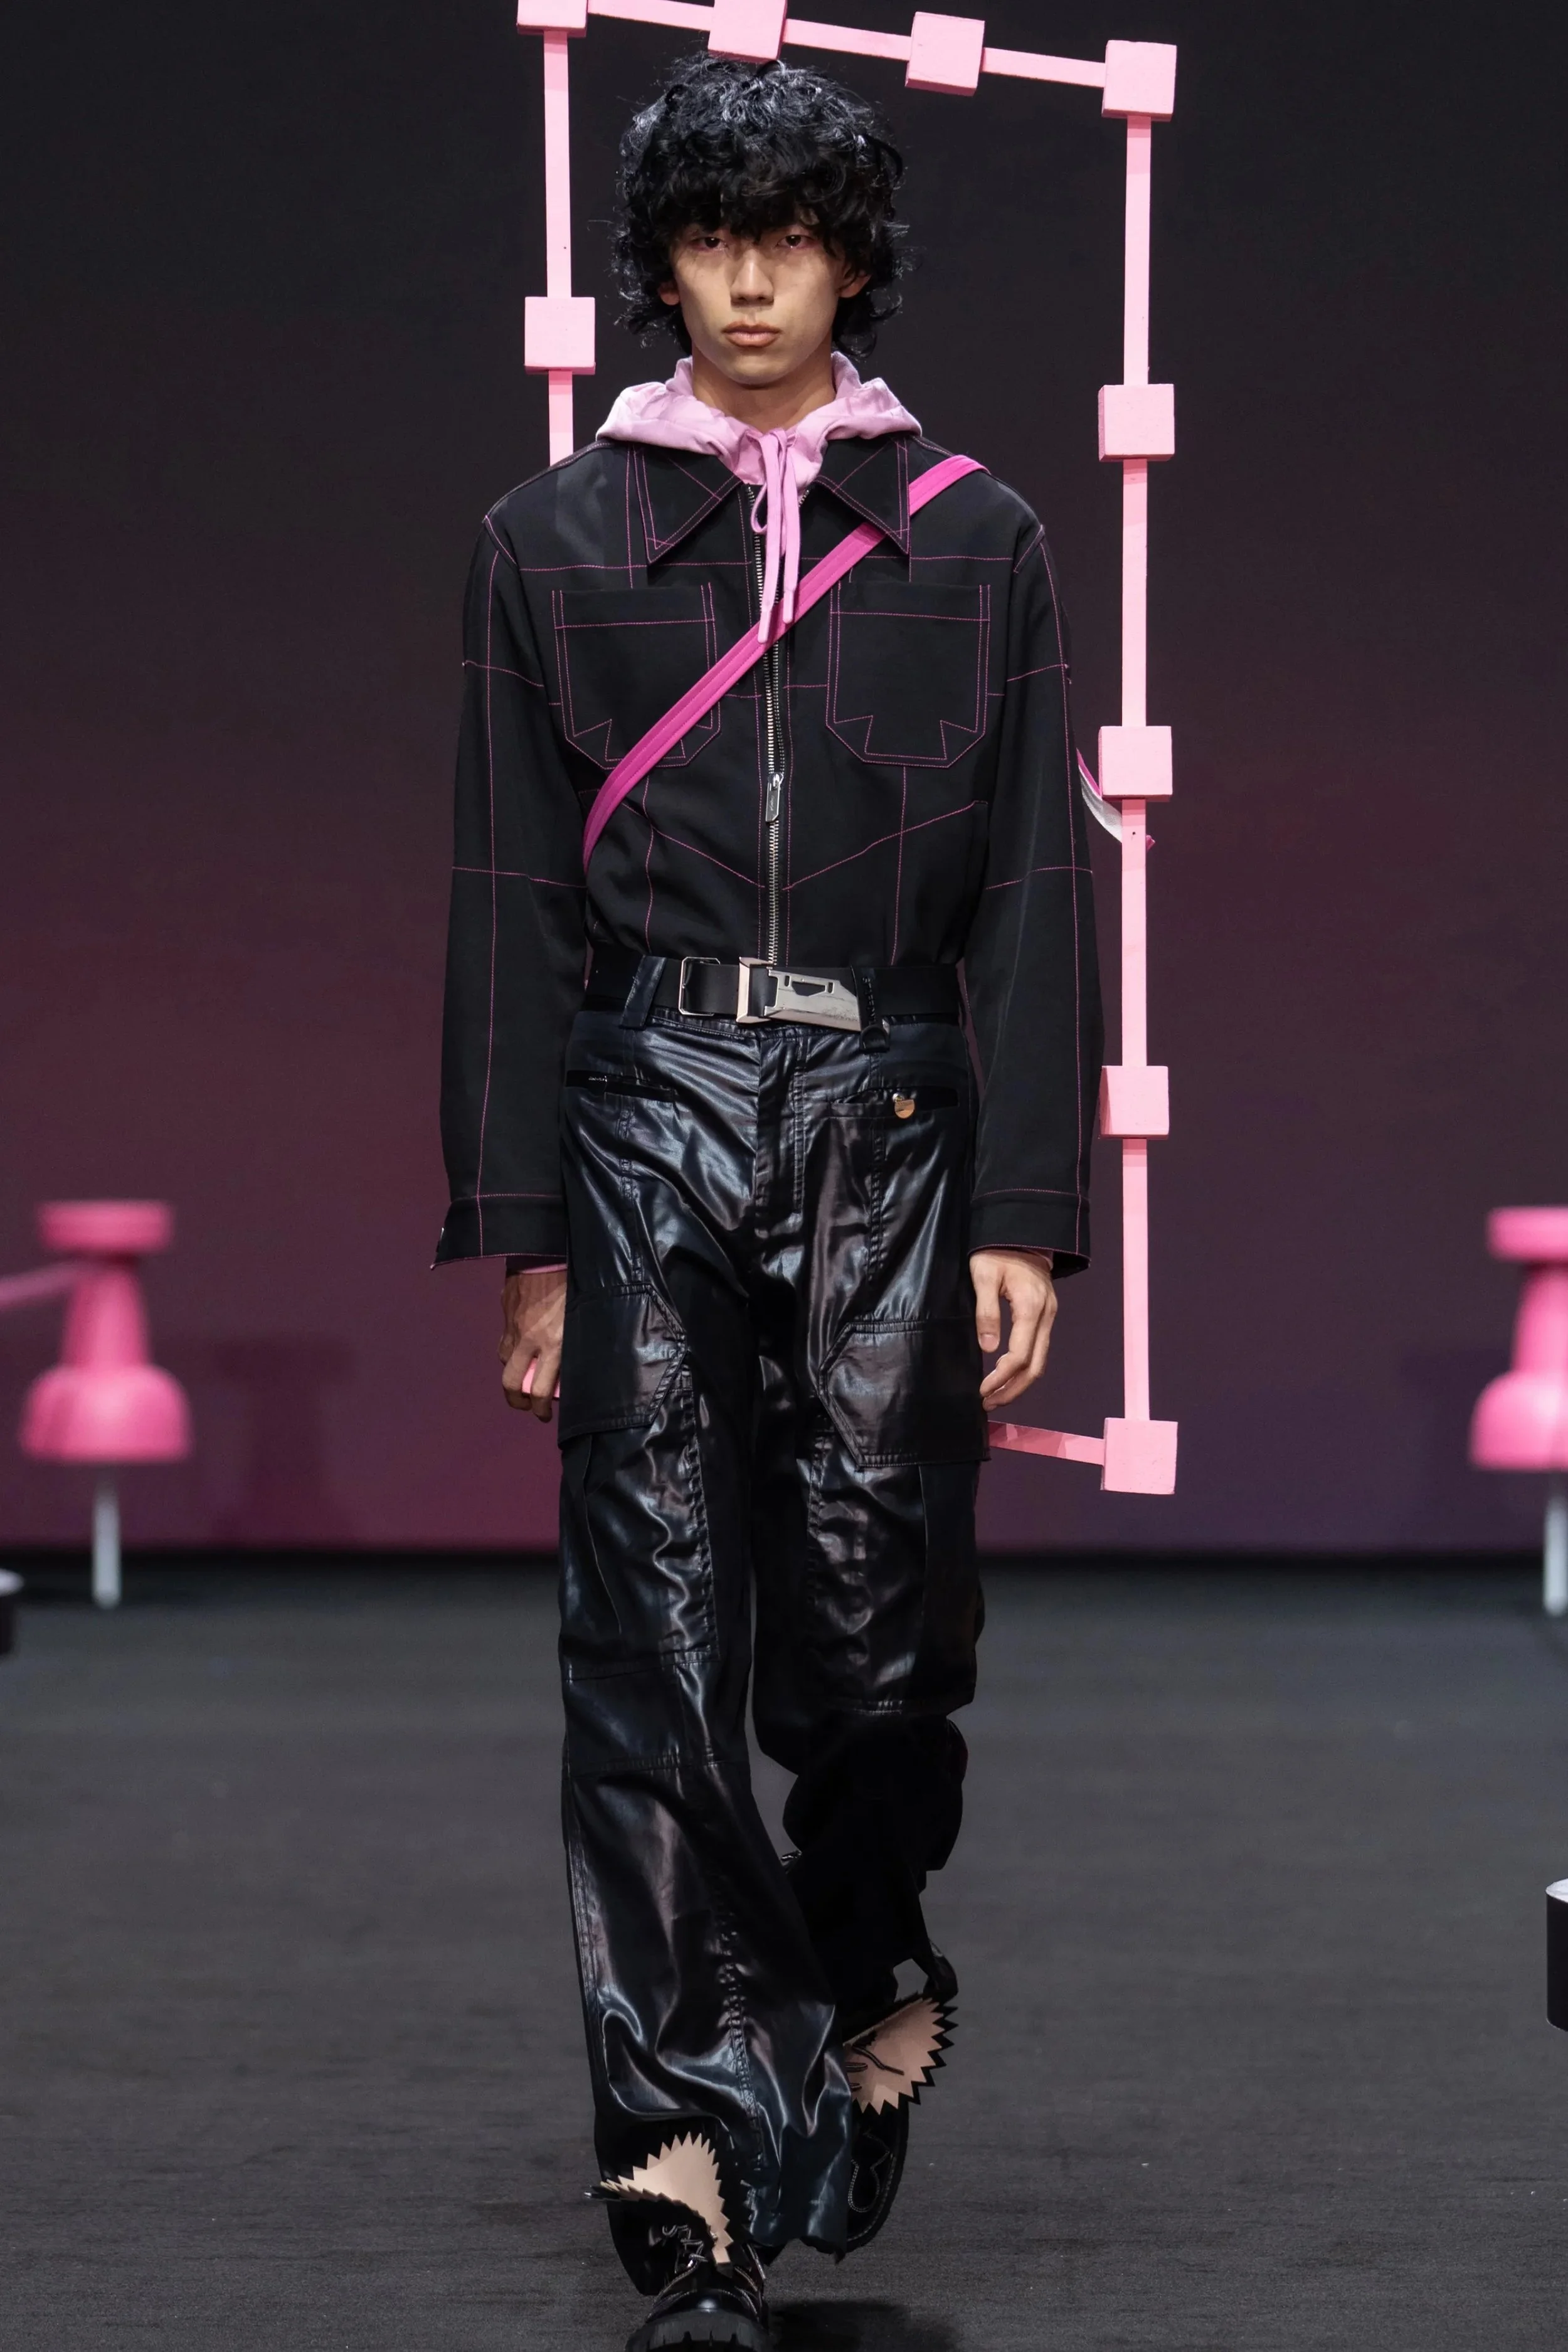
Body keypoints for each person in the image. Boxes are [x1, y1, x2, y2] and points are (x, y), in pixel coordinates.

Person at [436, 53, 1101, 2352]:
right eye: (709, 240)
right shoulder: (548, 543)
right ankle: (688, 2153)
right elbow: (508, 899)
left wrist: (1027, 1204)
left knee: (874, 1643)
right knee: (646, 1633)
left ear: (850, 260)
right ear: (659, 265)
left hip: (891, 1113)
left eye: (788, 239)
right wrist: (528, 1231)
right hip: (644, 1100)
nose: (746, 282)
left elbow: (1035, 885)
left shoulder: (981, 539)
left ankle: (862, 1936)